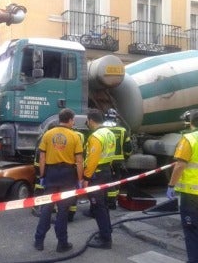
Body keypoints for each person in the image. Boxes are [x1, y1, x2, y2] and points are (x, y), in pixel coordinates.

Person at [34, 108, 84, 253]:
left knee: (46, 208)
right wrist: (79, 180)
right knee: (63, 210)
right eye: (73, 120)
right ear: (69, 120)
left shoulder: (48, 135)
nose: (73, 122)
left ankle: (39, 241)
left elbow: (42, 157)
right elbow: (79, 161)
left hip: (51, 174)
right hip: (68, 175)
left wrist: (43, 176)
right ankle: (62, 243)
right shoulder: (75, 137)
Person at [166, 109, 198, 263]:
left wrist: (171, 185)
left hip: (192, 194)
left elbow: (180, 166)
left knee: (191, 229)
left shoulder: (189, 139)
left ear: (191, 122)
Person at [83, 108, 116, 249]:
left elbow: (92, 159)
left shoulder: (95, 136)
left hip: (97, 174)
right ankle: (106, 231)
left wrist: (86, 177)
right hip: (107, 171)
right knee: (104, 205)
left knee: (98, 207)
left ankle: (105, 239)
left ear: (91, 120)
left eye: (88, 121)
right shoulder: (110, 133)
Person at [104, 108, 132, 210]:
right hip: (118, 161)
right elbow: (128, 147)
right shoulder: (122, 130)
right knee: (116, 181)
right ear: (116, 118)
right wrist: (126, 157)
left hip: (105, 161)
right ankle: (113, 202)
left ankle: (105, 201)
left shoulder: (101, 129)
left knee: (105, 181)